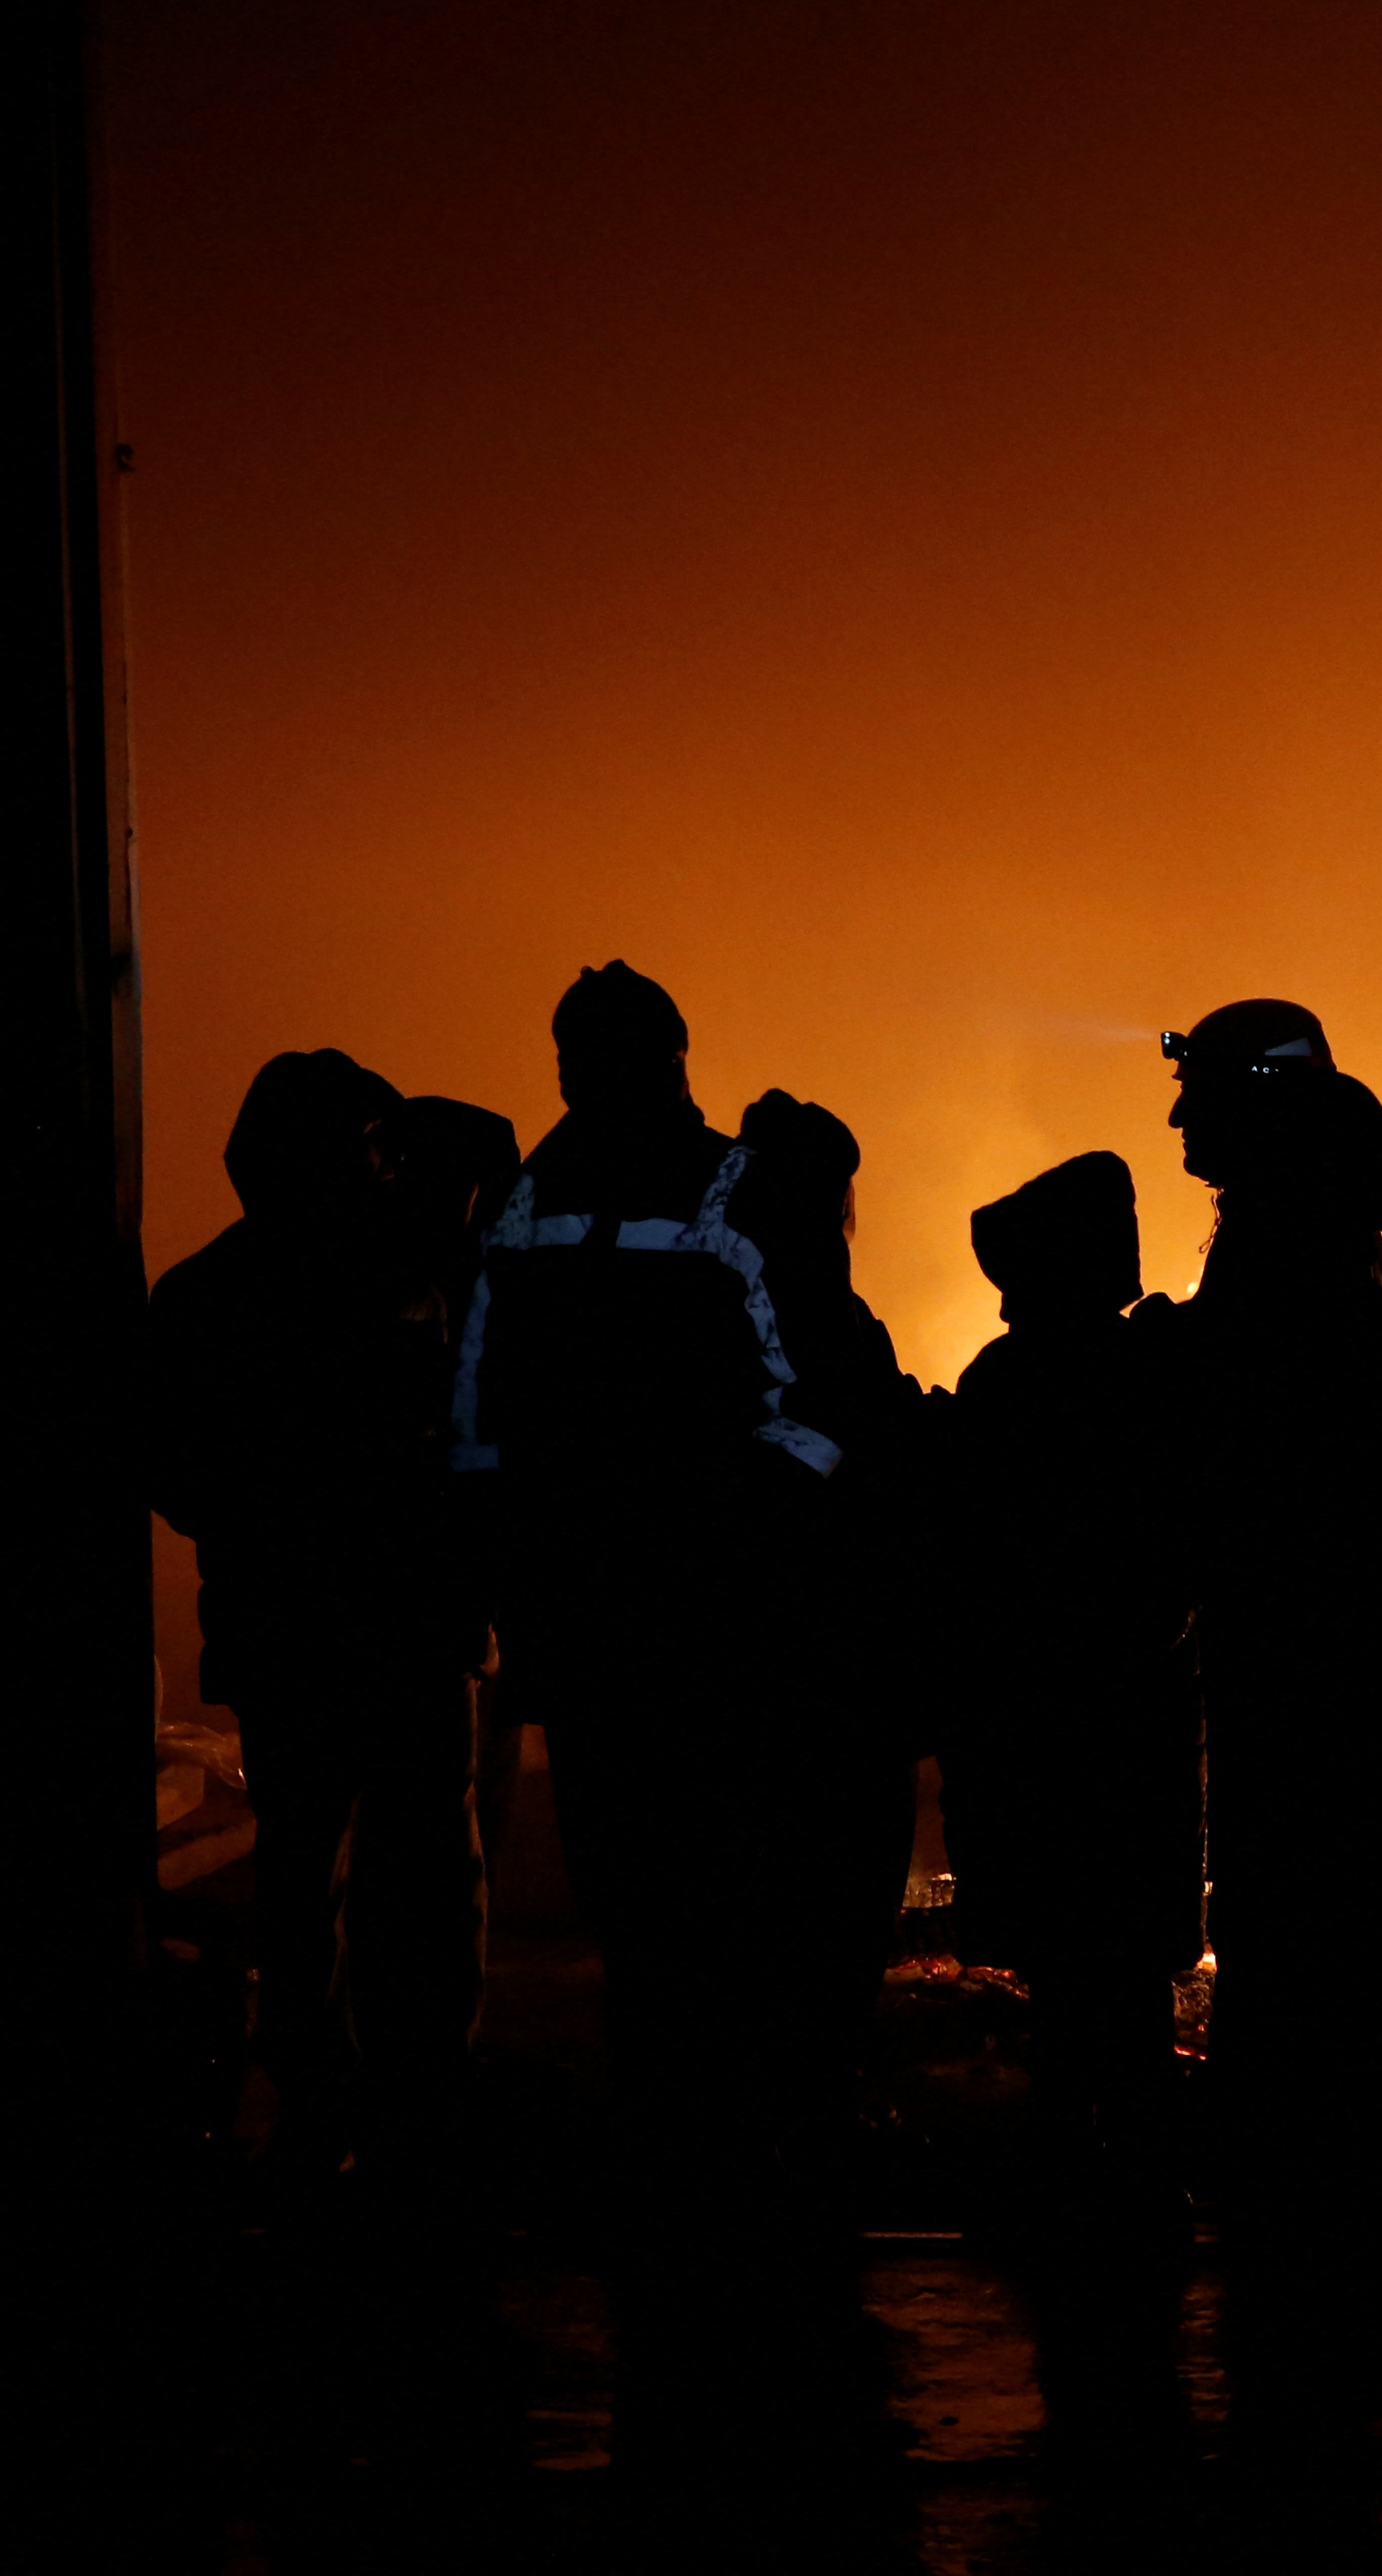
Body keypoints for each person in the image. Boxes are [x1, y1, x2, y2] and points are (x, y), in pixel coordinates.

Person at [447, 964, 919, 2486]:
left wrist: (542, 1575)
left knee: (655, 1927)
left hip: (627, 1643)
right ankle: (746, 2212)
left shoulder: (526, 1204)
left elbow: (477, 1422)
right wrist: (745, 1541)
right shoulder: (727, 1192)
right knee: (713, 1923)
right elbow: (824, 1401)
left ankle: (685, 2205)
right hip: (705, 1641)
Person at [1138, 1001, 1382, 2250]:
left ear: (1259, 1101)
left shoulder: (1283, 1261)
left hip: (1301, 1637)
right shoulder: (1318, 1241)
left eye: (1202, 1091)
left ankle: (1305, 2192)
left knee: (1291, 1916)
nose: (1182, 1117)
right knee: (1328, 1913)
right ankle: (1351, 2179)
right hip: (1346, 1631)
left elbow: (1260, 1443)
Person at [142, 1048, 497, 2195]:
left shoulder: (203, 1294)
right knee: (423, 1875)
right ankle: (422, 2103)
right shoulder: (414, 1279)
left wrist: (266, 1523)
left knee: (303, 1875)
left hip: (287, 1628)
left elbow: (174, 1469)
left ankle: (316, 2104)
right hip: (407, 1626)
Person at [925, 1151, 1202, 2235]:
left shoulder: (1008, 1383)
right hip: (1124, 1724)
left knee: (1070, 1978)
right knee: (1123, 1981)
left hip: (1041, 1728)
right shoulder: (1143, 1380)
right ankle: (1139, 2178)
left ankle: (1069, 2178)